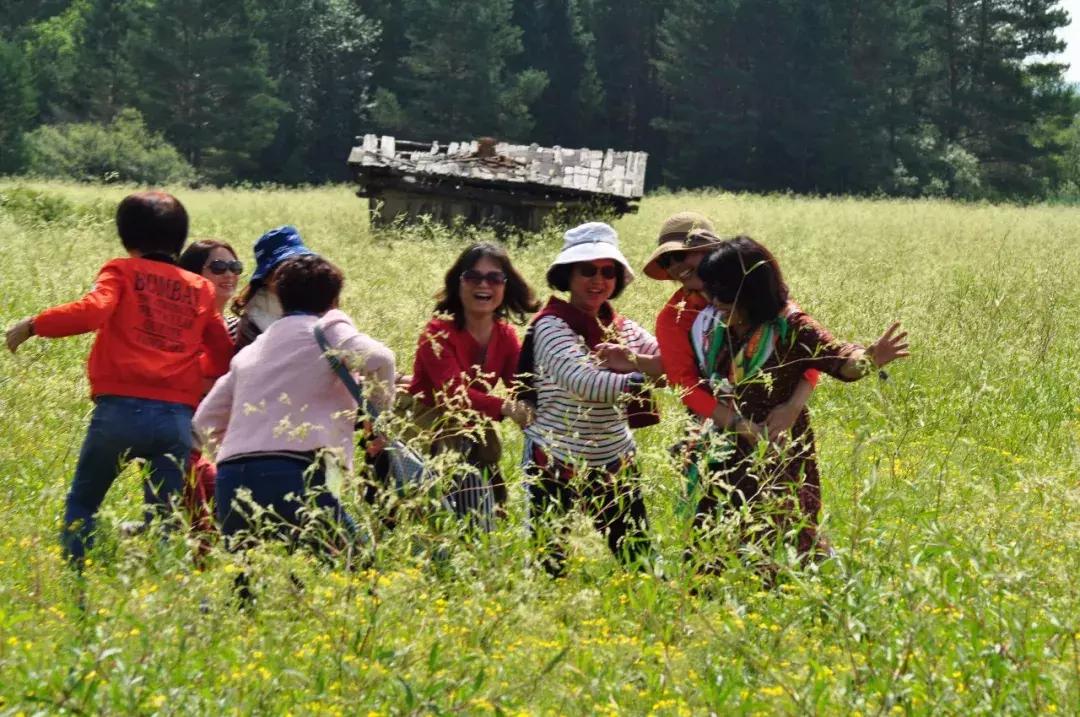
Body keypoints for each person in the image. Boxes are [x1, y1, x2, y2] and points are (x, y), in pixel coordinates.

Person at [4, 191, 234, 567]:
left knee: (84, 503)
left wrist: (35, 324)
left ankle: (75, 578)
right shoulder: (200, 290)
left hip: (118, 414)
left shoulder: (121, 271)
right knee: (163, 518)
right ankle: (160, 585)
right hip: (175, 420)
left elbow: (94, 311)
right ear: (180, 238)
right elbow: (222, 353)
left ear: (127, 237)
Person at [692, 236, 909, 561]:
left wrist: (869, 358)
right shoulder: (726, 323)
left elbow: (838, 357)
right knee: (710, 543)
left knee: (780, 540)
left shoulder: (792, 325)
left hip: (777, 449)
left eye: (721, 292)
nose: (712, 300)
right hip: (728, 446)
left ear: (748, 288)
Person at [194, 254, 395, 565]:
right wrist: (378, 423)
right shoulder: (328, 327)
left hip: (233, 480)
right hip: (301, 472)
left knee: (249, 588)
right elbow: (380, 359)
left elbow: (204, 420)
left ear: (280, 298)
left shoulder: (251, 351)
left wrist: (243, 453)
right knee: (359, 569)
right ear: (334, 299)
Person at [641, 213, 819, 530]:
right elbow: (685, 384)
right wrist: (739, 425)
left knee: (792, 522)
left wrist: (791, 409)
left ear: (711, 250)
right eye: (668, 261)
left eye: (683, 254)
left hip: (781, 424)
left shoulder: (756, 292)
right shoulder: (673, 317)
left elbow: (805, 355)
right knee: (714, 534)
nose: (677, 267)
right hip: (715, 434)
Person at [518, 222, 664, 576]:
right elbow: (584, 382)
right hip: (555, 462)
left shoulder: (622, 327)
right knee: (549, 569)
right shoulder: (551, 326)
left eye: (607, 272)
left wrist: (636, 361)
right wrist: (643, 371)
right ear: (567, 275)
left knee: (641, 564)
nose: (598, 281)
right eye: (587, 270)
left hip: (615, 460)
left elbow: (671, 363)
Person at [406, 242, 539, 527]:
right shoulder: (437, 333)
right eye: (473, 277)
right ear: (459, 283)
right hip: (425, 439)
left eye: (494, 278)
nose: (484, 285)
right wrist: (505, 407)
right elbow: (452, 397)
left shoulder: (505, 335)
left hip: (470, 438)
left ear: (505, 287)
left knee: (484, 525)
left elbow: (522, 385)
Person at [232, 225, 314, 350]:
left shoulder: (319, 300)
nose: (296, 273)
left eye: (301, 264)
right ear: (265, 278)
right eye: (284, 268)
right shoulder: (252, 324)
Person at [179, 239, 243, 341]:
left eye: (234, 267)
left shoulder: (241, 332)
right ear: (193, 273)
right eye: (218, 267)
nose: (229, 275)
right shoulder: (174, 328)